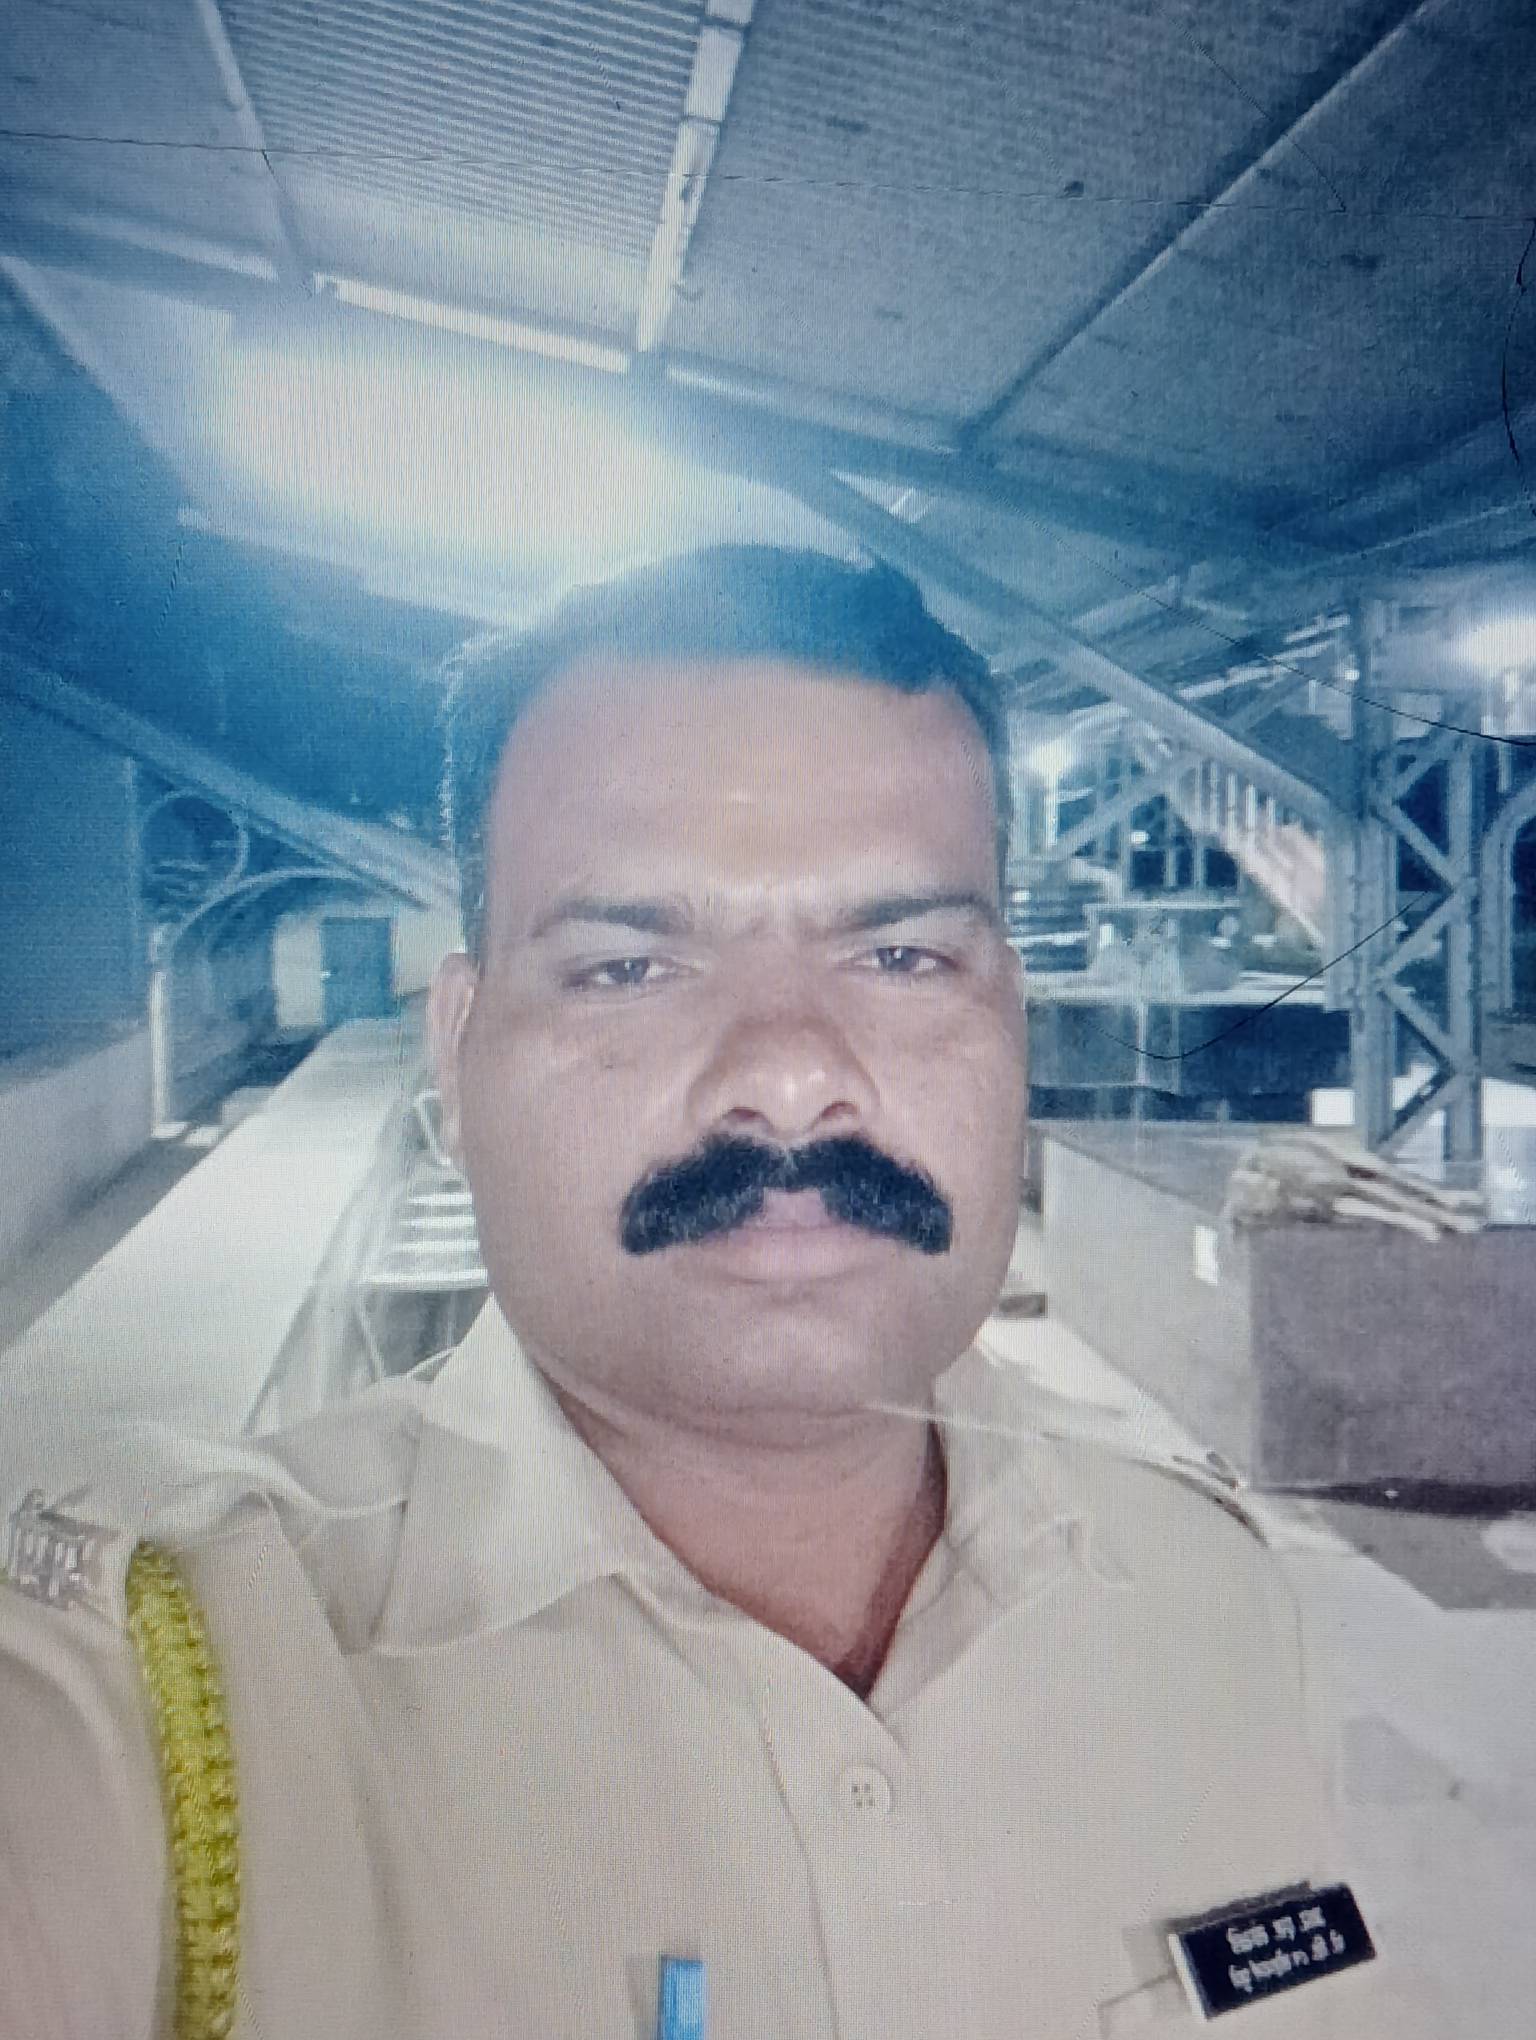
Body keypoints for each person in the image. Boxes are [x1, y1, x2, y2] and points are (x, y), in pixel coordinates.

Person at [0, 547, 1420, 2038]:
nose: (790, 1075)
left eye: (901, 954)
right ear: (458, 1054)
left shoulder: (1212, 1597)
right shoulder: (164, 1708)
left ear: (1010, 1021)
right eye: (628, 967)